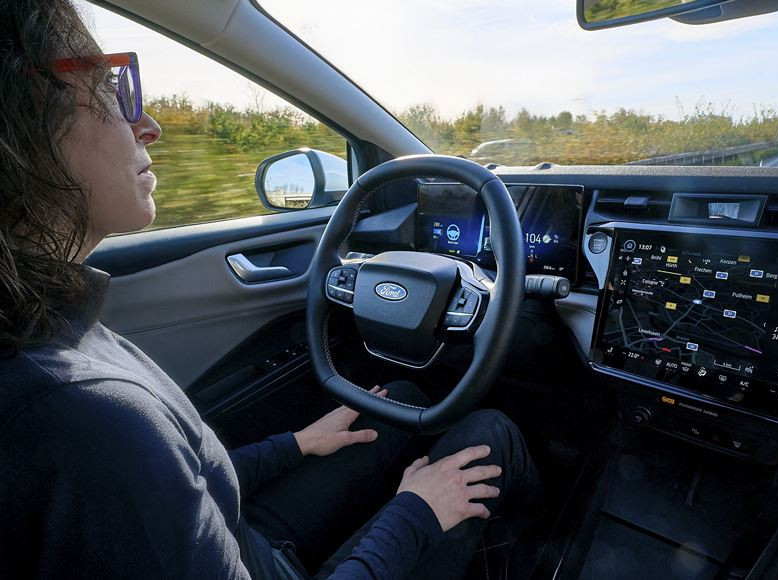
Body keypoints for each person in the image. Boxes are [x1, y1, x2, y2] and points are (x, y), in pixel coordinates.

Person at [0, 1, 540, 578]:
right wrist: (417, 513)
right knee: (492, 437)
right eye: (112, 89)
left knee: (402, 396)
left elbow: (189, 482)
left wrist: (298, 443)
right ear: (22, 122)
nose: (148, 125)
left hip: (244, 539)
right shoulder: (77, 412)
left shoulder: (48, 333)